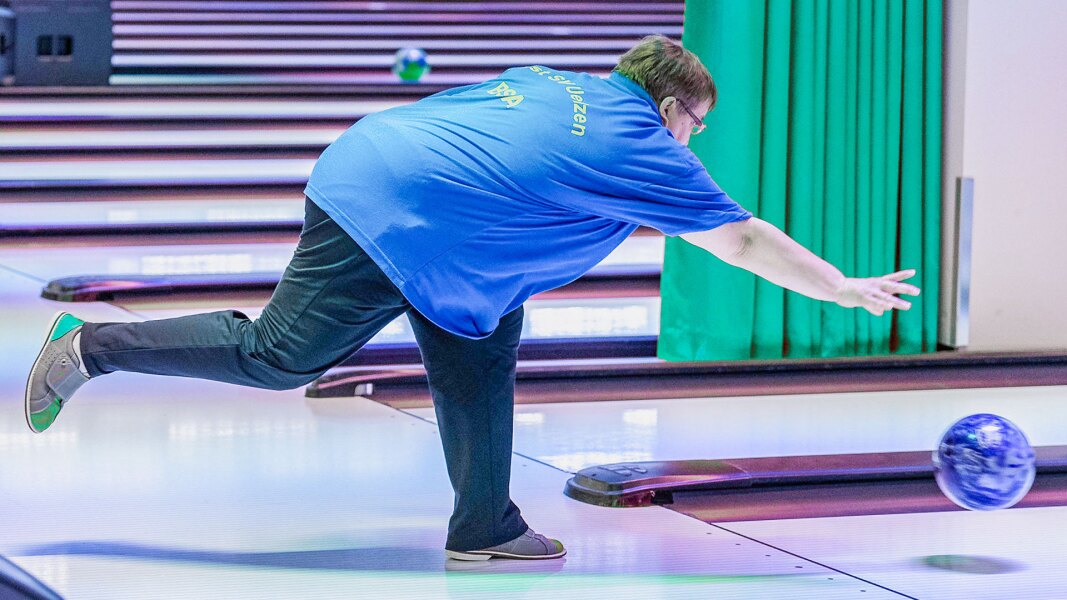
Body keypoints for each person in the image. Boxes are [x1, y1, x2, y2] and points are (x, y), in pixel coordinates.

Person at [24, 35, 920, 561]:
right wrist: (839, 287)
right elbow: (741, 239)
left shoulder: (552, 79)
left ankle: (484, 523)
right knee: (280, 357)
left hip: (416, 208)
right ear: (671, 105)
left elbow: (465, 122)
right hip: (398, 219)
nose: (693, 143)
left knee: (480, 346)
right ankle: (90, 348)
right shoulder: (643, 144)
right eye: (696, 126)